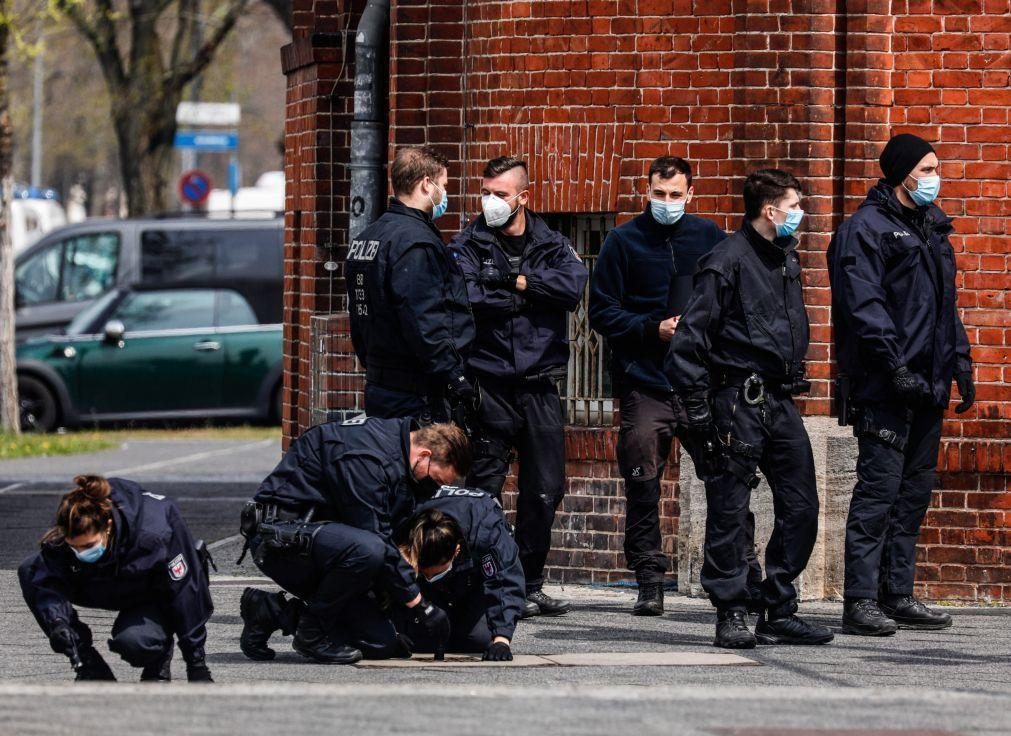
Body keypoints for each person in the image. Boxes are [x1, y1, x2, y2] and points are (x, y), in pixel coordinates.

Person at [666, 169, 833, 649]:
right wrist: (698, 412)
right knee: (729, 509)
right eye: (794, 205)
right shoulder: (726, 261)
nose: (799, 213)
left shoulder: (785, 258)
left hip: (778, 398)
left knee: (802, 505)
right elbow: (688, 343)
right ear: (769, 210)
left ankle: (778, 605)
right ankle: (732, 610)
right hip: (736, 398)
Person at [828, 134, 973, 636]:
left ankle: (897, 592)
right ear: (903, 172)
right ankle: (861, 600)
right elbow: (864, 309)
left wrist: (962, 365)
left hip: (929, 384)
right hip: (885, 386)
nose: (935, 175)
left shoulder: (933, 228)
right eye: (928, 167)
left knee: (912, 495)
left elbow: (944, 308)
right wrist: (894, 368)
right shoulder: (865, 231)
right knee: (878, 493)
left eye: (936, 166)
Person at [449, 156, 587, 618]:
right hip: (488, 384)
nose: (490, 202)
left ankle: (529, 582)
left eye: (500, 194)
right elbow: (466, 295)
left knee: (544, 489)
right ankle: (486, 582)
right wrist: (528, 294)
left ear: (524, 197)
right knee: (484, 488)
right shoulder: (468, 242)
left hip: (539, 384)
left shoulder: (549, 241)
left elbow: (571, 287)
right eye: (485, 192)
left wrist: (514, 280)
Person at [588, 156, 726, 616]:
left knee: (726, 479)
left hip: (699, 384)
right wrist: (652, 328)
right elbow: (601, 313)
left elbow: (729, 302)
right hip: (645, 382)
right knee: (643, 484)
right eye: (658, 194)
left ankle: (733, 573)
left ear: (691, 193)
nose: (666, 203)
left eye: (674, 195)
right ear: (646, 191)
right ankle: (650, 580)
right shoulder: (623, 241)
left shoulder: (709, 238)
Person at [237, 418, 472, 665]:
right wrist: (420, 605)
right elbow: (377, 540)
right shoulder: (366, 459)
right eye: (435, 481)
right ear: (424, 455)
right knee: (368, 550)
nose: (433, 490)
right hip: (281, 542)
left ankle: (271, 612)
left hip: (328, 543)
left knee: (380, 643)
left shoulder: (400, 452)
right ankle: (311, 631)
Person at [18, 475, 214, 682]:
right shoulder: (67, 531)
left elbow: (186, 592)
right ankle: (90, 666)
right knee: (31, 570)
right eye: (73, 546)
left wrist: (197, 665)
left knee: (136, 644)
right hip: (100, 583)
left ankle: (158, 658)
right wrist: (57, 622)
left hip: (150, 594)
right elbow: (48, 586)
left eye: (88, 546)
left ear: (108, 526)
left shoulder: (156, 533)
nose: (80, 552)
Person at [345, 145, 476, 423]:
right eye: (443, 184)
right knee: (420, 463)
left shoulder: (368, 238)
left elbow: (358, 317)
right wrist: (455, 377)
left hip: (381, 383)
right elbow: (424, 320)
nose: (445, 193)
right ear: (427, 185)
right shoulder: (416, 243)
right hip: (415, 392)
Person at [395, 485, 525, 660]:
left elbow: (505, 579)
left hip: (471, 584)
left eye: (436, 574)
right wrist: (391, 632)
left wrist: (501, 640)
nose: (431, 578)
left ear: (456, 551)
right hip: (423, 591)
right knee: (419, 639)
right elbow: (386, 574)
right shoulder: (405, 520)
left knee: (478, 640)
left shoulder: (485, 529)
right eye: (427, 573)